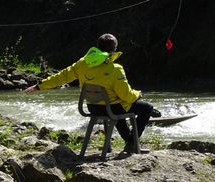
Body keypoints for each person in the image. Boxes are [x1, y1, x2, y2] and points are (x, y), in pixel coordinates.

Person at [25, 33, 154, 154]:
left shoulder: (83, 63)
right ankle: (132, 143)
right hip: (112, 108)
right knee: (147, 108)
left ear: (97, 47)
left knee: (117, 107)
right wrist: (138, 94)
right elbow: (127, 96)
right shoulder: (115, 69)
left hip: (93, 107)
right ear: (114, 49)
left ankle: (131, 143)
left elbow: (62, 76)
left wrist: (39, 86)